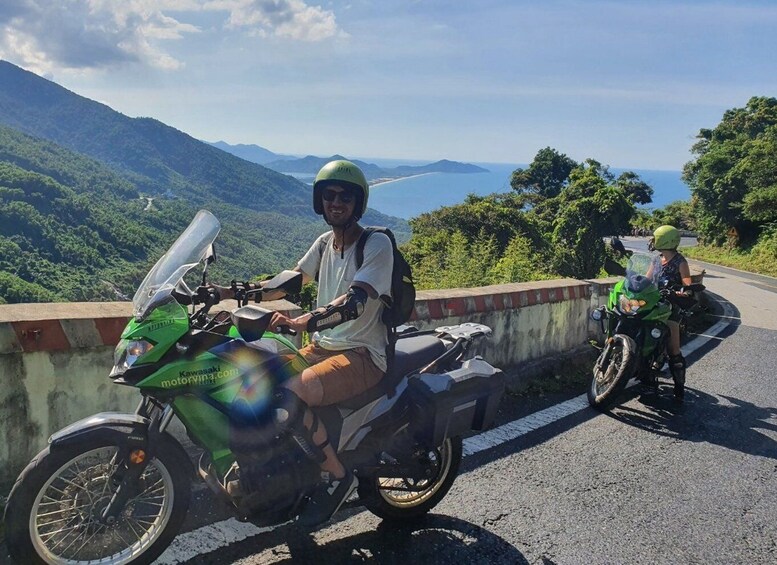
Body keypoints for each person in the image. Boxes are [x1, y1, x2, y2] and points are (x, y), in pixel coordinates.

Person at [218, 159, 394, 526]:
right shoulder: (325, 243)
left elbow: (356, 300)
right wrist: (228, 292)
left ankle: (337, 476)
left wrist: (305, 320)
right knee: (254, 386)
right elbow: (290, 282)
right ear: (320, 201)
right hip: (322, 347)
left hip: (361, 354)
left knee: (288, 396)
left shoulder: (376, 243)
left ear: (358, 203)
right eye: (329, 195)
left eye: (345, 196)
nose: (336, 202)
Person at [653, 224, 692, 399]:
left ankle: (679, 386)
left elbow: (687, 283)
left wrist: (684, 290)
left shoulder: (680, 262)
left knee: (673, 349)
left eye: (656, 238)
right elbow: (646, 279)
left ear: (664, 240)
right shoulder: (656, 260)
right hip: (653, 302)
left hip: (670, 306)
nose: (654, 241)